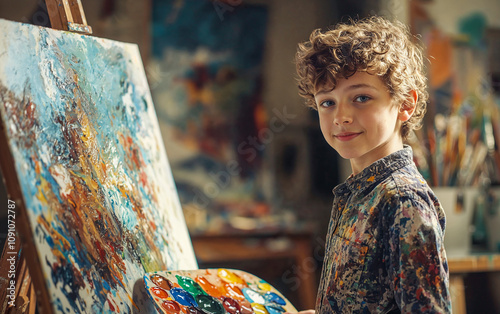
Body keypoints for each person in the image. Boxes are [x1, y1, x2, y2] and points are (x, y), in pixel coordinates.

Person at [289, 16, 452, 313]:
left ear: (405, 105)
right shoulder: (360, 192)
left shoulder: (403, 200)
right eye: (328, 102)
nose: (341, 116)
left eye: (361, 97)